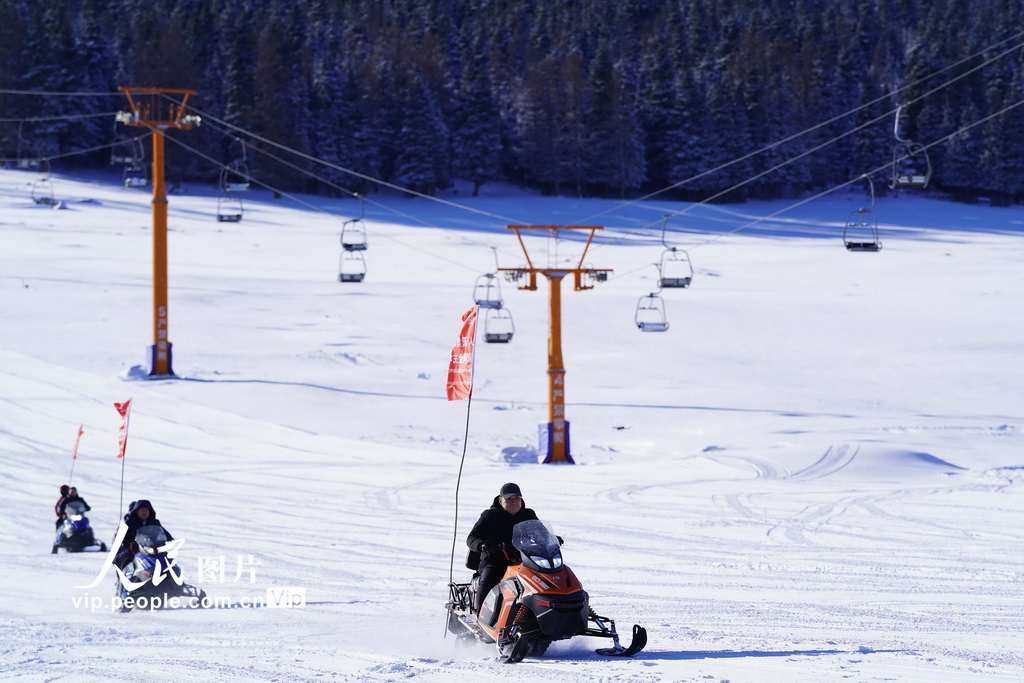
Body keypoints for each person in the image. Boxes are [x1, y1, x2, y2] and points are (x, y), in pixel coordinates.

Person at [466, 482, 538, 615]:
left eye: (517, 498)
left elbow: (541, 532)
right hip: (494, 561)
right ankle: (480, 618)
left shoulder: (528, 515)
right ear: (500, 501)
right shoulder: (489, 516)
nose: (514, 502)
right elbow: (471, 538)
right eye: (509, 499)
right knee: (489, 582)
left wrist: (553, 539)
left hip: (523, 561)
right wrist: (483, 545)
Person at [114, 499, 173, 569]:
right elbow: (118, 537)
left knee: (165, 558)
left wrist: (167, 537)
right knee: (124, 558)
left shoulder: (155, 522)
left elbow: (164, 533)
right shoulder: (128, 523)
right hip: (132, 548)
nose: (144, 512)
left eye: (146, 510)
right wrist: (129, 542)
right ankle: (125, 576)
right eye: (141, 510)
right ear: (136, 511)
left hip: (151, 548)